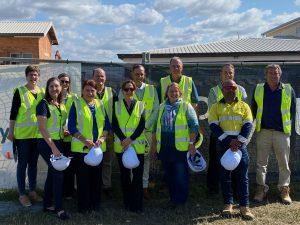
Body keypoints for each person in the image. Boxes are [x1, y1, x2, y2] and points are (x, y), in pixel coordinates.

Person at [208, 79, 254, 220]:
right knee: (225, 177)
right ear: (222, 90)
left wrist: (238, 142)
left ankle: (244, 207)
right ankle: (228, 204)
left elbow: (248, 125)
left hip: (240, 146)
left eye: (233, 88)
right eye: (227, 88)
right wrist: (229, 141)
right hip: (223, 145)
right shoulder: (216, 107)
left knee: (242, 177)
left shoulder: (244, 106)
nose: (231, 90)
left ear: (237, 90)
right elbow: (213, 126)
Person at [252, 64, 296, 204]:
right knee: (261, 163)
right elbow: (254, 109)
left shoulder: (288, 89)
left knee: (284, 163)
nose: (273, 75)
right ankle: (261, 189)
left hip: (281, 133)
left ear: (280, 75)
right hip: (263, 131)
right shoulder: (259, 89)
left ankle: (284, 190)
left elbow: (293, 111)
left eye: (276, 73)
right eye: (270, 73)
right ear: (266, 75)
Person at [151, 82, 199, 209]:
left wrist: (191, 143)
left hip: (180, 149)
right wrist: (154, 147)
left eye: (176, 91)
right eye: (171, 91)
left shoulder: (185, 106)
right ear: (167, 93)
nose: (173, 93)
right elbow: (156, 127)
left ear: (180, 93)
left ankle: (180, 201)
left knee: (180, 176)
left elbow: (194, 126)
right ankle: (172, 199)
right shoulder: (161, 107)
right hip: (165, 148)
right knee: (169, 175)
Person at [68, 79, 110, 213]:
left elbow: (107, 125)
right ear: (82, 91)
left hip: (97, 150)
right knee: (83, 180)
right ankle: (83, 207)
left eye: (92, 90)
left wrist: (103, 138)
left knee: (96, 179)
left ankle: (95, 205)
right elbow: (71, 127)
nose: (90, 93)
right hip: (81, 150)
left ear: (96, 92)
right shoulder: (76, 103)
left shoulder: (100, 104)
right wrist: (84, 140)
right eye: (87, 90)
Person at [206, 64, 247, 195]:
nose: (228, 75)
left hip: (237, 136)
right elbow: (214, 113)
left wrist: (238, 137)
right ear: (220, 74)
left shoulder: (241, 90)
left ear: (233, 74)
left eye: (230, 73)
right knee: (215, 163)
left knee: (237, 164)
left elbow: (245, 110)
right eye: (225, 73)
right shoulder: (214, 91)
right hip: (219, 135)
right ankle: (213, 190)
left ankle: (235, 192)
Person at [119, 65, 159, 200]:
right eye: (137, 74)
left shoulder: (152, 89)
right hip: (129, 133)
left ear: (144, 74)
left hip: (146, 131)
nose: (139, 76)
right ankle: (132, 186)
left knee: (145, 160)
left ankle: (144, 187)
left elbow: (156, 110)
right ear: (132, 74)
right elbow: (120, 109)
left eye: (141, 74)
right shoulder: (125, 89)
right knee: (129, 157)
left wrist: (145, 126)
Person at [7, 65, 44, 207]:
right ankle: (22, 194)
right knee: (22, 165)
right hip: (23, 137)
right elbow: (13, 114)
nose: (33, 77)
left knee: (33, 164)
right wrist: (11, 132)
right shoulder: (20, 91)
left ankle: (32, 191)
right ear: (26, 76)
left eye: (36, 75)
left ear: (38, 77)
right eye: (31, 74)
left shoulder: (42, 91)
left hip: (37, 135)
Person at [36, 77, 69, 220]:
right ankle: (59, 209)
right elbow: (42, 129)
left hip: (58, 142)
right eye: (51, 86)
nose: (54, 89)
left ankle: (47, 204)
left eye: (56, 86)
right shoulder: (43, 104)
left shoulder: (61, 104)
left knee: (52, 174)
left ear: (61, 88)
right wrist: (54, 148)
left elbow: (59, 125)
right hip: (46, 143)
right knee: (58, 174)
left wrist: (65, 131)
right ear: (47, 89)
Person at [112, 80, 145, 213]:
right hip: (121, 146)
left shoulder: (141, 105)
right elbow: (114, 124)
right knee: (125, 176)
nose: (129, 92)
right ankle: (127, 203)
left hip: (137, 146)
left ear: (134, 91)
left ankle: (137, 205)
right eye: (126, 89)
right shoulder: (116, 105)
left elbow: (141, 125)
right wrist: (123, 139)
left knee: (137, 177)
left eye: (131, 89)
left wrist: (130, 139)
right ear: (122, 91)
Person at [92, 68, 117, 198]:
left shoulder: (112, 92)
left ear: (105, 78)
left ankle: (106, 185)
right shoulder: (89, 91)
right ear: (92, 77)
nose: (100, 78)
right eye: (97, 76)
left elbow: (118, 111)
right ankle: (95, 184)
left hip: (109, 132)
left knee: (107, 160)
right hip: (92, 133)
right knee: (94, 159)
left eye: (102, 76)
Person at [58, 73, 78, 199]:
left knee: (70, 167)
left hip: (71, 139)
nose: (64, 84)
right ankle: (59, 192)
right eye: (62, 81)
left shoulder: (75, 97)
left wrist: (71, 131)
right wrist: (61, 131)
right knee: (59, 167)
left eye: (66, 82)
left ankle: (69, 193)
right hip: (58, 139)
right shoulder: (53, 98)